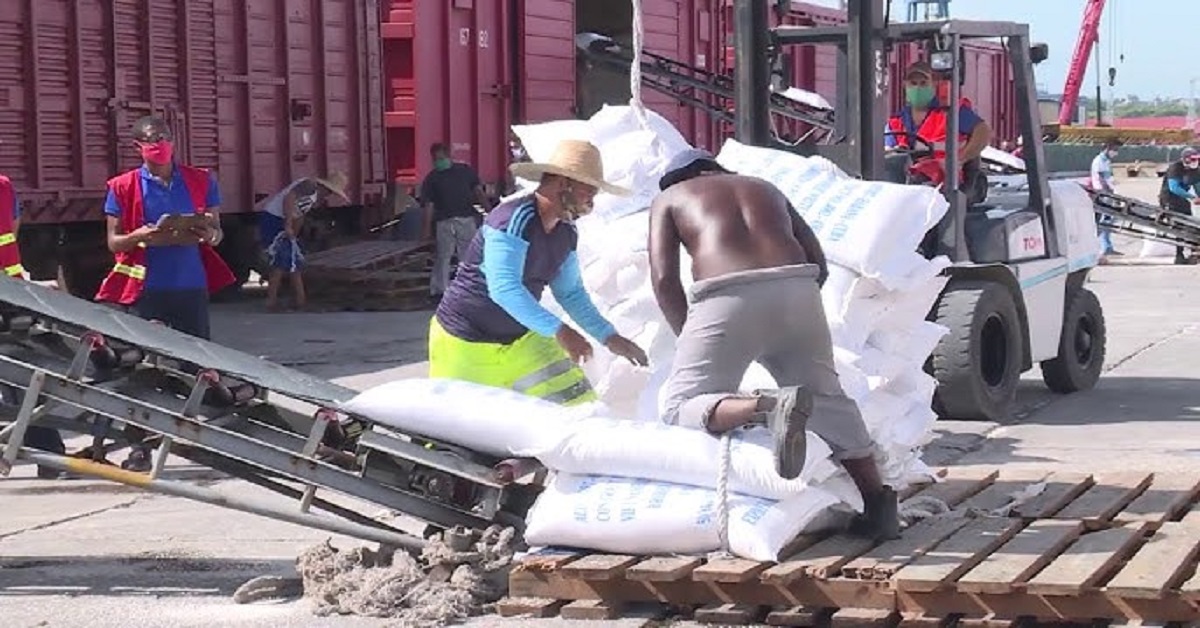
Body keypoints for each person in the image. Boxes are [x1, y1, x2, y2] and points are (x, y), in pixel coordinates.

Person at [648, 149, 899, 541]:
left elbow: (664, 279)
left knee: (682, 405)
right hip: (799, 288)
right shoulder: (766, 188)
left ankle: (768, 405)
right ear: (714, 168)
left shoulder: (670, 197)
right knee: (829, 400)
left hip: (726, 296)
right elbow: (818, 259)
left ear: (678, 179)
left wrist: (689, 336)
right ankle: (879, 504)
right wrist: (796, 309)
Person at [430, 139, 648, 406]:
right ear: (562, 183)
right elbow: (504, 289)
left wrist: (608, 336)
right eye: (587, 189)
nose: (592, 199)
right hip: (464, 342)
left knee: (579, 409)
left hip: (522, 341)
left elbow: (570, 293)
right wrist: (561, 331)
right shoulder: (513, 219)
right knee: (452, 433)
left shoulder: (566, 233)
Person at [95, 115, 235, 471]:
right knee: (142, 368)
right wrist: (141, 235)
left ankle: (213, 441)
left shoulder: (200, 180)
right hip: (146, 289)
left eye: (165, 137)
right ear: (137, 147)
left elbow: (217, 231)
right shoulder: (123, 187)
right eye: (152, 139)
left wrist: (209, 233)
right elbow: (114, 243)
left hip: (190, 286)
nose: (160, 144)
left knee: (201, 367)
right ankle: (139, 447)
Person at [257, 173, 350, 311]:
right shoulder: (309, 186)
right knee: (280, 261)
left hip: (281, 221)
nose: (328, 195)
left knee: (293, 261)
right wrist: (288, 225)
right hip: (274, 219)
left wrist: (294, 233)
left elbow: (299, 214)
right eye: (330, 191)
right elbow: (289, 200)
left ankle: (300, 300)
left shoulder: (314, 197)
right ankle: (272, 302)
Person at [886, 61, 992, 179]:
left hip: (945, 182)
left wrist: (960, 159)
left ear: (934, 84)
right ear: (905, 85)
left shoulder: (951, 112)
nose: (918, 88)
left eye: (923, 83)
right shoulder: (896, 122)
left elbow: (982, 131)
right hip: (908, 183)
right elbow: (890, 154)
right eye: (913, 83)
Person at [421, 143, 492, 301]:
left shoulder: (464, 172)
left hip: (465, 219)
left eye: (441, 158)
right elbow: (429, 205)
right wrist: (426, 229)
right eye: (435, 159)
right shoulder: (432, 178)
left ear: (449, 157)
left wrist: (491, 212)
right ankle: (440, 291)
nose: (438, 162)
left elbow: (478, 192)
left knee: (467, 256)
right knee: (443, 257)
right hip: (444, 222)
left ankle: (469, 289)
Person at [1158, 147, 1200, 265]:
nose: (1195, 162)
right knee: (1179, 227)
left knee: (1192, 224)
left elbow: (1198, 187)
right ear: (1185, 159)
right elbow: (1174, 187)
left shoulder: (1195, 170)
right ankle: (1179, 255)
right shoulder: (1175, 168)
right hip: (1169, 199)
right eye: (1192, 159)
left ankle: (1194, 251)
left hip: (1182, 200)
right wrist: (1192, 197)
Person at [1089, 140, 1123, 259]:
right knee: (1104, 221)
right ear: (1107, 148)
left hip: (1107, 194)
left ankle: (1107, 246)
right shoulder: (1099, 161)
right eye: (1114, 149)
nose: (1116, 152)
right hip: (1102, 194)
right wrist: (1108, 191)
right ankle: (1102, 247)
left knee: (1108, 220)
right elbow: (1101, 178)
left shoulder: (1106, 161)